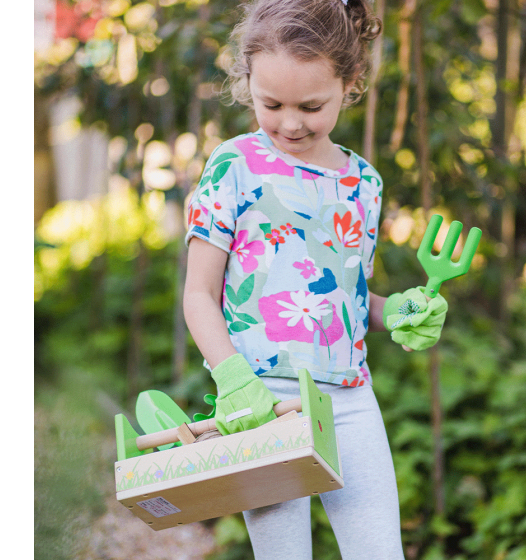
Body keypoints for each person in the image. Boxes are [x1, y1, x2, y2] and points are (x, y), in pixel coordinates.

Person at [183, 1, 447, 558]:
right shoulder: (233, 165)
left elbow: (345, 296)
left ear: (349, 83)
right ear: (246, 80)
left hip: (349, 399)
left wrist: (394, 309)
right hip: (263, 402)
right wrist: (233, 379)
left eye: (311, 105)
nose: (290, 122)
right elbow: (199, 293)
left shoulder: (363, 184)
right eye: (270, 104)